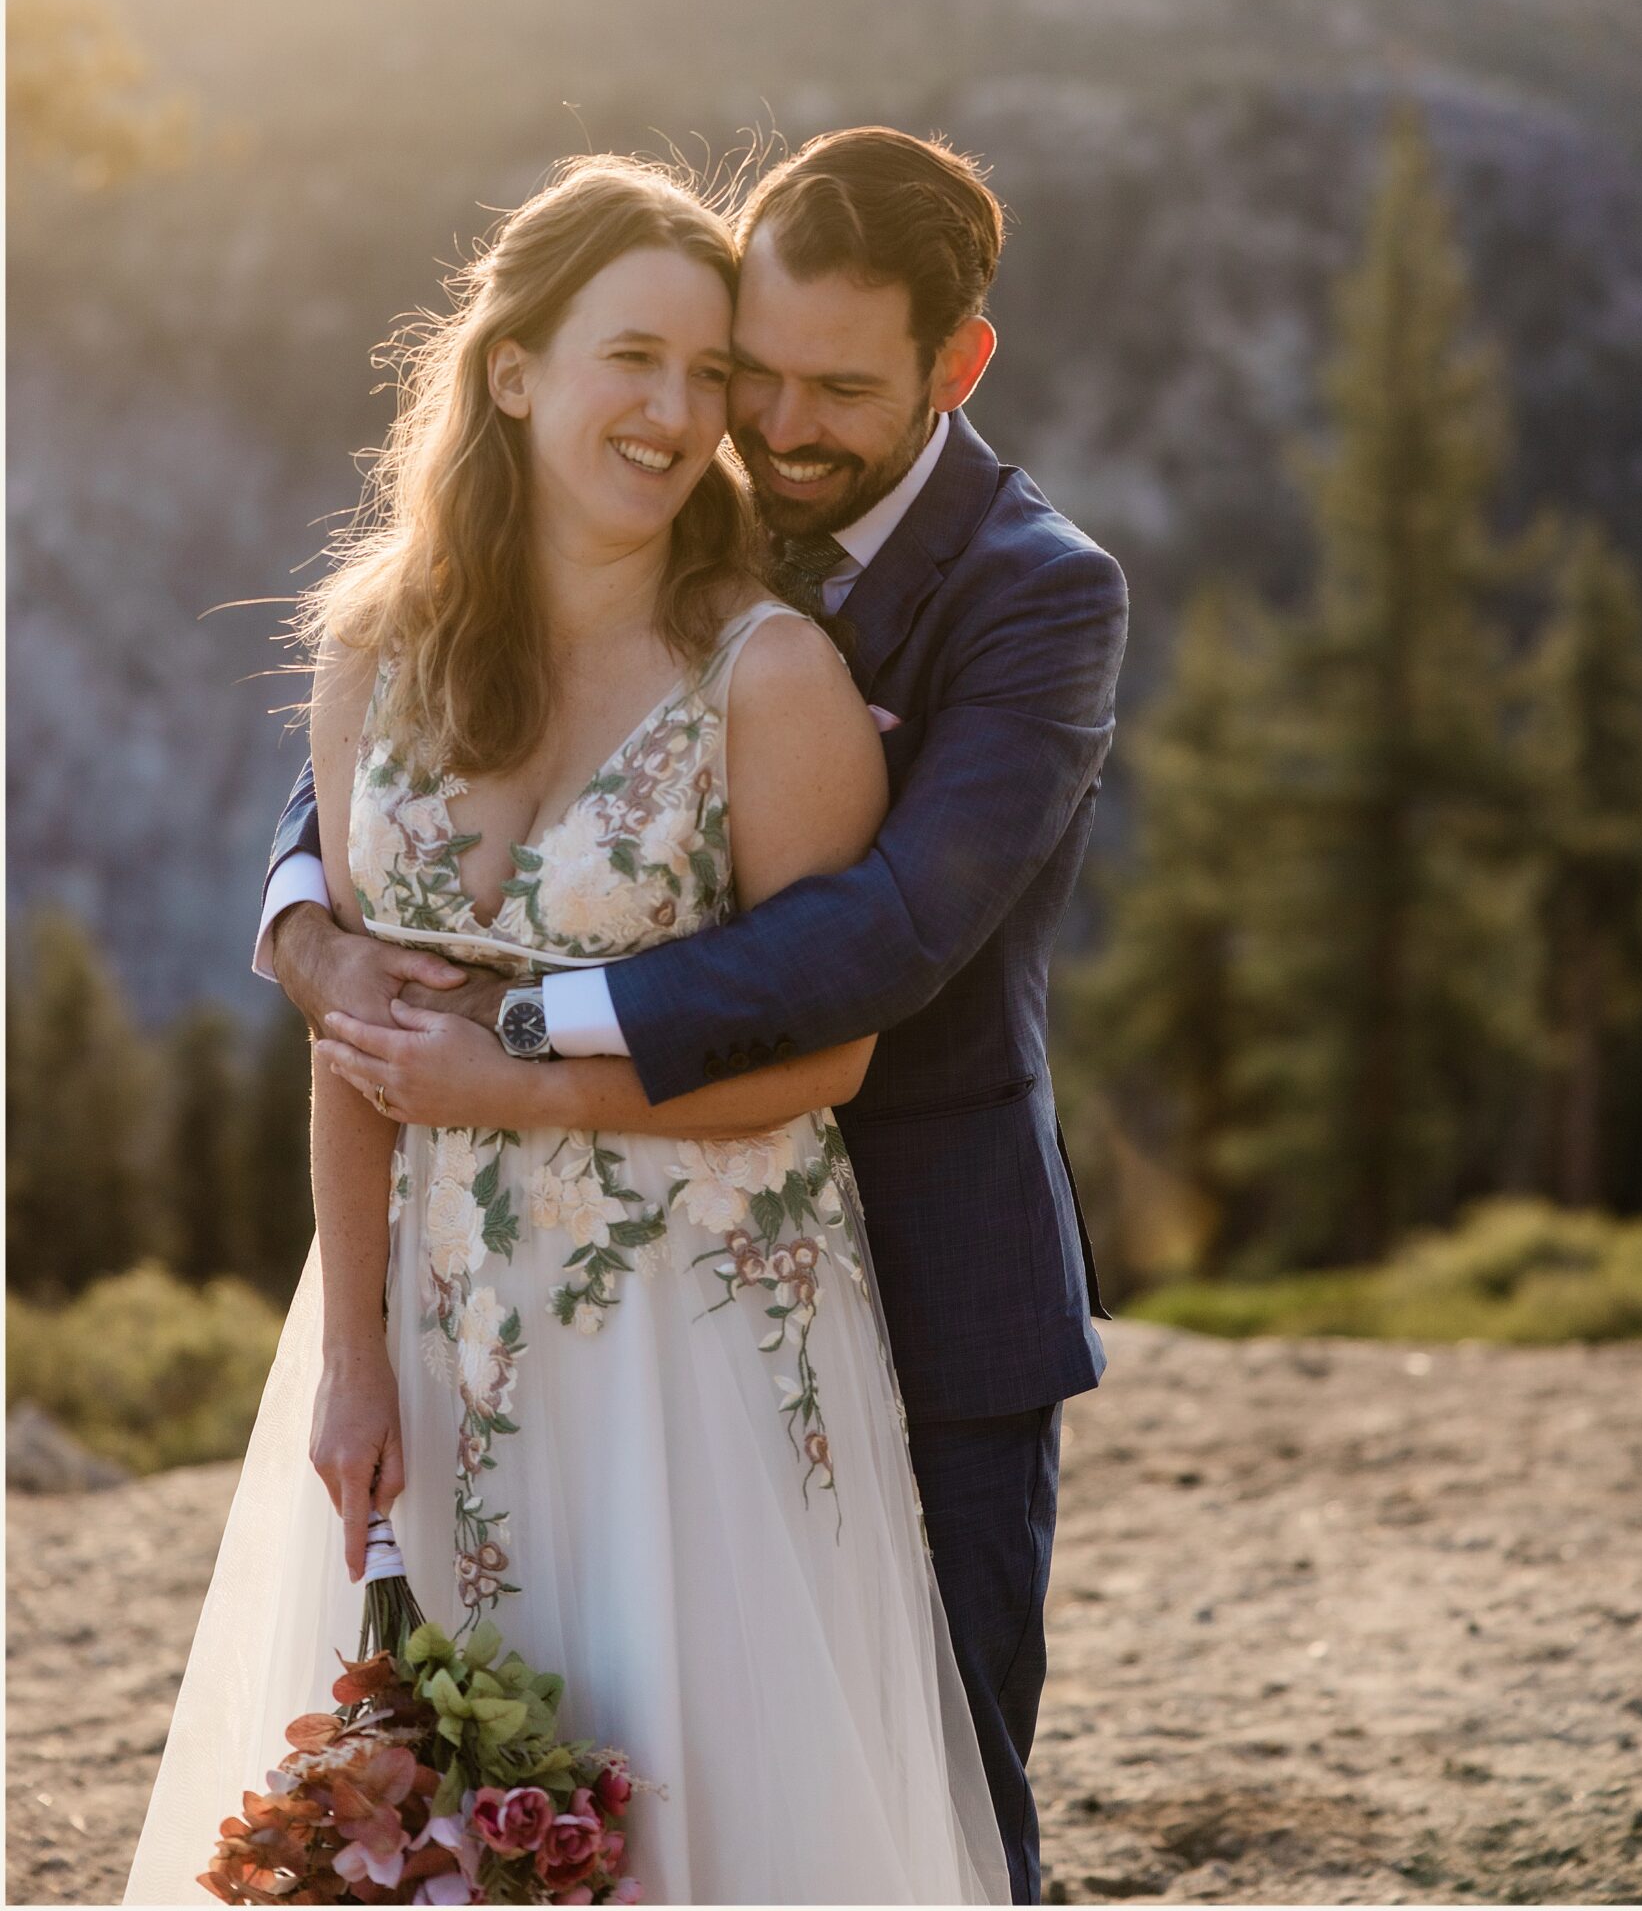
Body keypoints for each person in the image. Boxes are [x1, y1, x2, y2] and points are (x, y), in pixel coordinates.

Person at [258, 127, 1129, 1905]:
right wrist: (310, 932)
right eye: (752, 373)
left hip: (897, 1259)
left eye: (833, 390)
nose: (770, 426)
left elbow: (886, 935)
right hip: (542, 1305)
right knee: (513, 1752)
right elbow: (388, 823)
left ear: (954, 366)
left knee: (920, 1793)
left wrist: (506, 1045)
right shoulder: (634, 532)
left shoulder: (1039, 595)